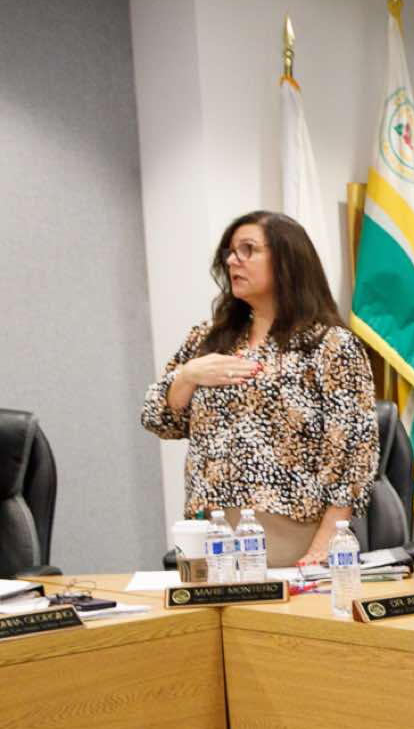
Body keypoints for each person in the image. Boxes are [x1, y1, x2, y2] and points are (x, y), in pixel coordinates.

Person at [141, 211, 376, 566]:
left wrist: (327, 541)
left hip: (287, 531)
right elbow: (158, 419)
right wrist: (187, 375)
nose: (232, 261)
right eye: (230, 252)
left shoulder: (330, 346)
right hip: (209, 529)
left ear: (287, 260)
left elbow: (355, 454)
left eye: (248, 250)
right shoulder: (208, 339)